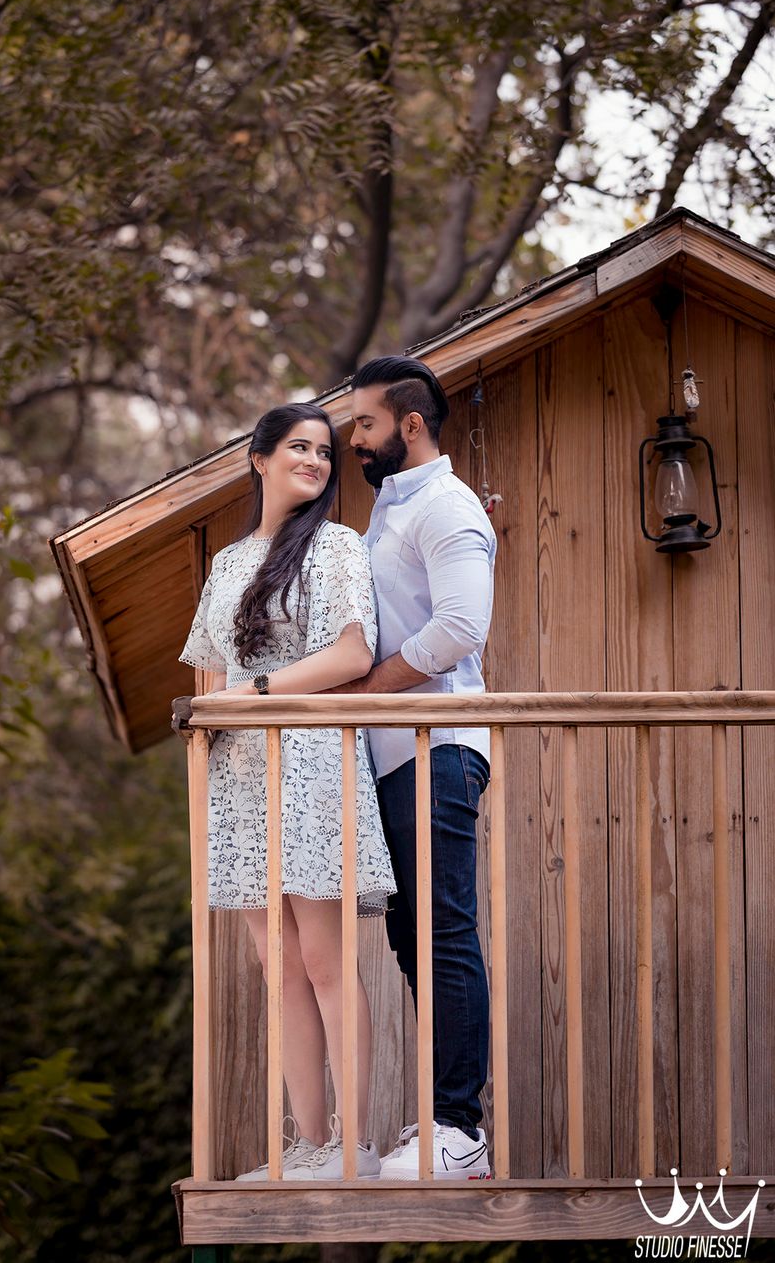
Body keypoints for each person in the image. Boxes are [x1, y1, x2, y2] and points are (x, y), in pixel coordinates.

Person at [174, 403, 397, 1182]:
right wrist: (218, 713)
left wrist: (256, 692)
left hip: (307, 758)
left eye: (324, 451)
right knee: (278, 962)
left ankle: (356, 1143)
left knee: (325, 958)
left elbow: (351, 652)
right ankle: (308, 1142)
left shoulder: (336, 545)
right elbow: (207, 671)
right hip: (239, 773)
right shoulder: (230, 561)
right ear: (259, 458)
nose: (315, 459)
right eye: (298, 446)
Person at [333, 355, 497, 1180]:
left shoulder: (445, 506)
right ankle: (441, 1120)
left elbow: (461, 625)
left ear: (409, 424)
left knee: (445, 931)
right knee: (413, 936)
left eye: (363, 423)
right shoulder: (393, 512)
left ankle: (460, 1131)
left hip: (437, 744)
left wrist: (367, 690)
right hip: (397, 752)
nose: (352, 439)